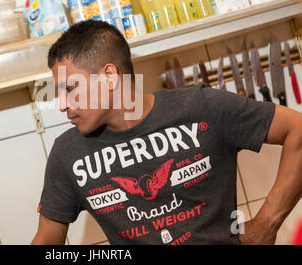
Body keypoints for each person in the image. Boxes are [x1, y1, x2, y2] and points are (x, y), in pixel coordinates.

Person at [31, 20, 302, 245]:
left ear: (109, 76)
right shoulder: (67, 154)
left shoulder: (200, 108)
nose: (63, 104)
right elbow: (46, 241)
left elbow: (298, 130)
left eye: (70, 88)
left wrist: (267, 223)